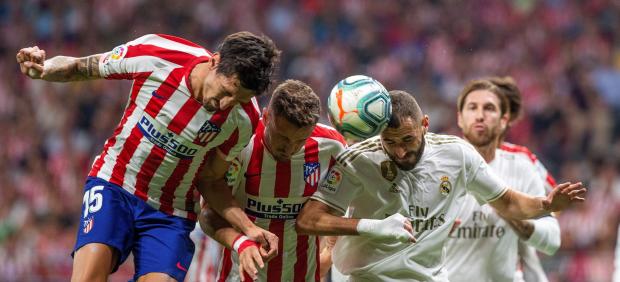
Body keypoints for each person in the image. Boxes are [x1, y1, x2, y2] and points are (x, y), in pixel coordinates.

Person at [16, 32, 280, 282]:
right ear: (215, 61)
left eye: (237, 99)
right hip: (114, 184)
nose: (225, 104)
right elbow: (82, 67)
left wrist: (249, 228)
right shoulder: (161, 54)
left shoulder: (244, 120)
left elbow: (210, 181)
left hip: (171, 213)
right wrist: (43, 69)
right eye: (226, 91)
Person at [295, 90, 586, 281]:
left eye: (408, 139)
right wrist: (371, 226)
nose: (399, 152)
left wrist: (546, 206)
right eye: (390, 142)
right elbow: (308, 219)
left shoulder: (456, 155)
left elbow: (508, 202)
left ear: (425, 124)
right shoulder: (358, 160)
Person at [197, 79, 347, 281]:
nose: (290, 148)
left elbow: (340, 205)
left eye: (300, 141)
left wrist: (329, 253)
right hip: (240, 276)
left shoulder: (332, 146)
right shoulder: (241, 143)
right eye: (283, 137)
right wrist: (241, 242)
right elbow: (208, 214)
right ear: (266, 117)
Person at [444, 78, 561, 282]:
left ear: (504, 120)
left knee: (526, 253)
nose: (480, 116)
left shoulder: (522, 161)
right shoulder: (441, 163)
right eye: (473, 107)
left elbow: (553, 210)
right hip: (454, 269)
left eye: (489, 108)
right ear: (460, 118)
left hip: (508, 254)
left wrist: (522, 217)